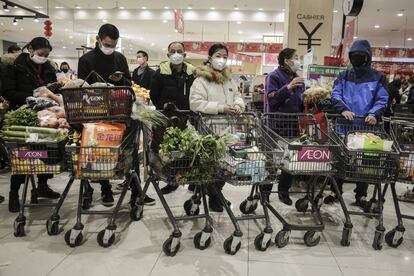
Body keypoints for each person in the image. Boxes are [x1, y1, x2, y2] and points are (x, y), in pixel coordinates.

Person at [325, 39, 389, 207]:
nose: (357, 58)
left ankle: (361, 195)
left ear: (368, 57)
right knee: (339, 159)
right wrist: (343, 109)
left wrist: (374, 113)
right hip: (344, 124)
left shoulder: (379, 77)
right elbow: (335, 94)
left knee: (366, 161)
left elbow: (382, 99)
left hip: (367, 127)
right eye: (354, 56)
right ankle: (335, 191)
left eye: (361, 56)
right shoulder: (343, 75)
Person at [2, 37, 61, 212]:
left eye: (46, 55)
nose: (43, 57)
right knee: (22, 155)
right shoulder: (14, 67)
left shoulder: (48, 67)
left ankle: (42, 185)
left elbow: (52, 88)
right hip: (22, 114)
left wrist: (52, 90)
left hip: (45, 116)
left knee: (45, 151)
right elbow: (7, 91)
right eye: (41, 54)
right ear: (30, 49)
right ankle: (14, 192)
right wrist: (31, 96)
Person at [77, 24, 132, 206]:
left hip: (116, 112)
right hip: (93, 111)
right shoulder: (86, 60)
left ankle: (109, 185)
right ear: (98, 40)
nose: (110, 48)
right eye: (107, 44)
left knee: (109, 151)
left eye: (114, 45)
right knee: (91, 151)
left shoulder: (120, 58)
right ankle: (92, 188)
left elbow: (128, 84)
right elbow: (82, 86)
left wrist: (120, 81)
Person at [189, 43, 245, 212]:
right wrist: (221, 107)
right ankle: (214, 197)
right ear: (210, 58)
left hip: (228, 129)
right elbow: (195, 103)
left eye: (225, 56)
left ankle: (215, 193)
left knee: (225, 165)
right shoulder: (201, 80)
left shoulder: (229, 79)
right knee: (211, 165)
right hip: (209, 129)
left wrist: (238, 106)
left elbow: (237, 96)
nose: (222, 59)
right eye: (218, 55)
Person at [149, 41, 195, 194]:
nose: (176, 54)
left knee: (182, 150)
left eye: (179, 51)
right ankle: (168, 178)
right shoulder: (160, 72)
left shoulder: (191, 73)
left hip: (184, 117)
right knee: (165, 149)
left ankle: (180, 177)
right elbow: (153, 94)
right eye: (173, 51)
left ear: (184, 54)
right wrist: (164, 106)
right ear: (168, 54)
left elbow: (195, 94)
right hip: (164, 118)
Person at [264, 47, 305, 205]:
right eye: (296, 57)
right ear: (287, 60)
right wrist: (288, 87)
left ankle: (283, 191)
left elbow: (300, 102)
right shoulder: (273, 77)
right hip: (276, 126)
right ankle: (265, 192)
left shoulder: (298, 78)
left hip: (294, 125)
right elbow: (272, 100)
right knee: (272, 161)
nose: (298, 60)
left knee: (290, 161)